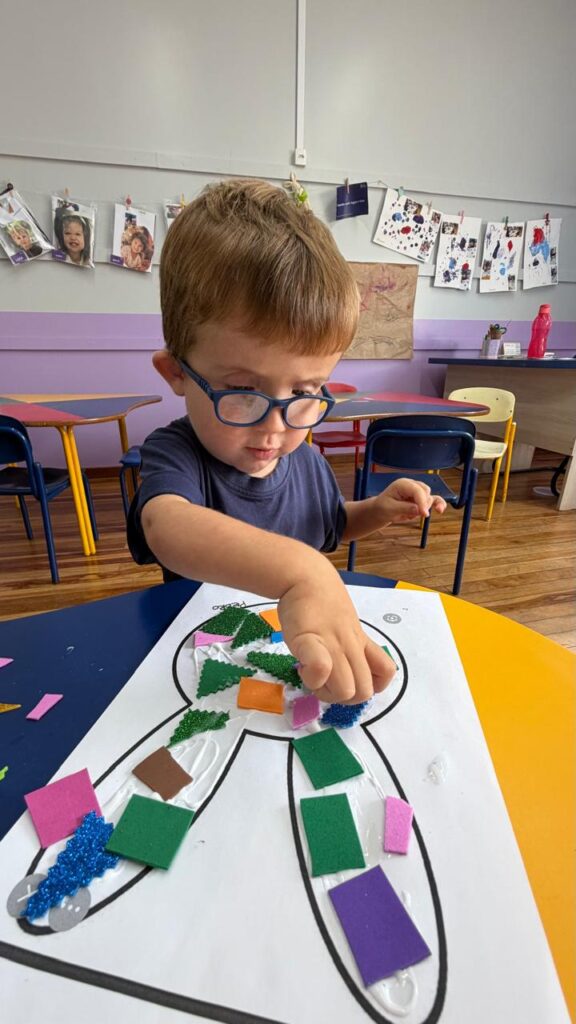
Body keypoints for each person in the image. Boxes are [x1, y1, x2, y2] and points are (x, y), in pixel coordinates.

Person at [128, 178, 446, 705]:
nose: (275, 425)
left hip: (291, 655)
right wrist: (304, 572)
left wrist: (377, 510)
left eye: (303, 392)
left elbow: (330, 525)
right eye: (241, 391)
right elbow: (166, 526)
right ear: (177, 374)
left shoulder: (306, 459)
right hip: (205, 659)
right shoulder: (177, 453)